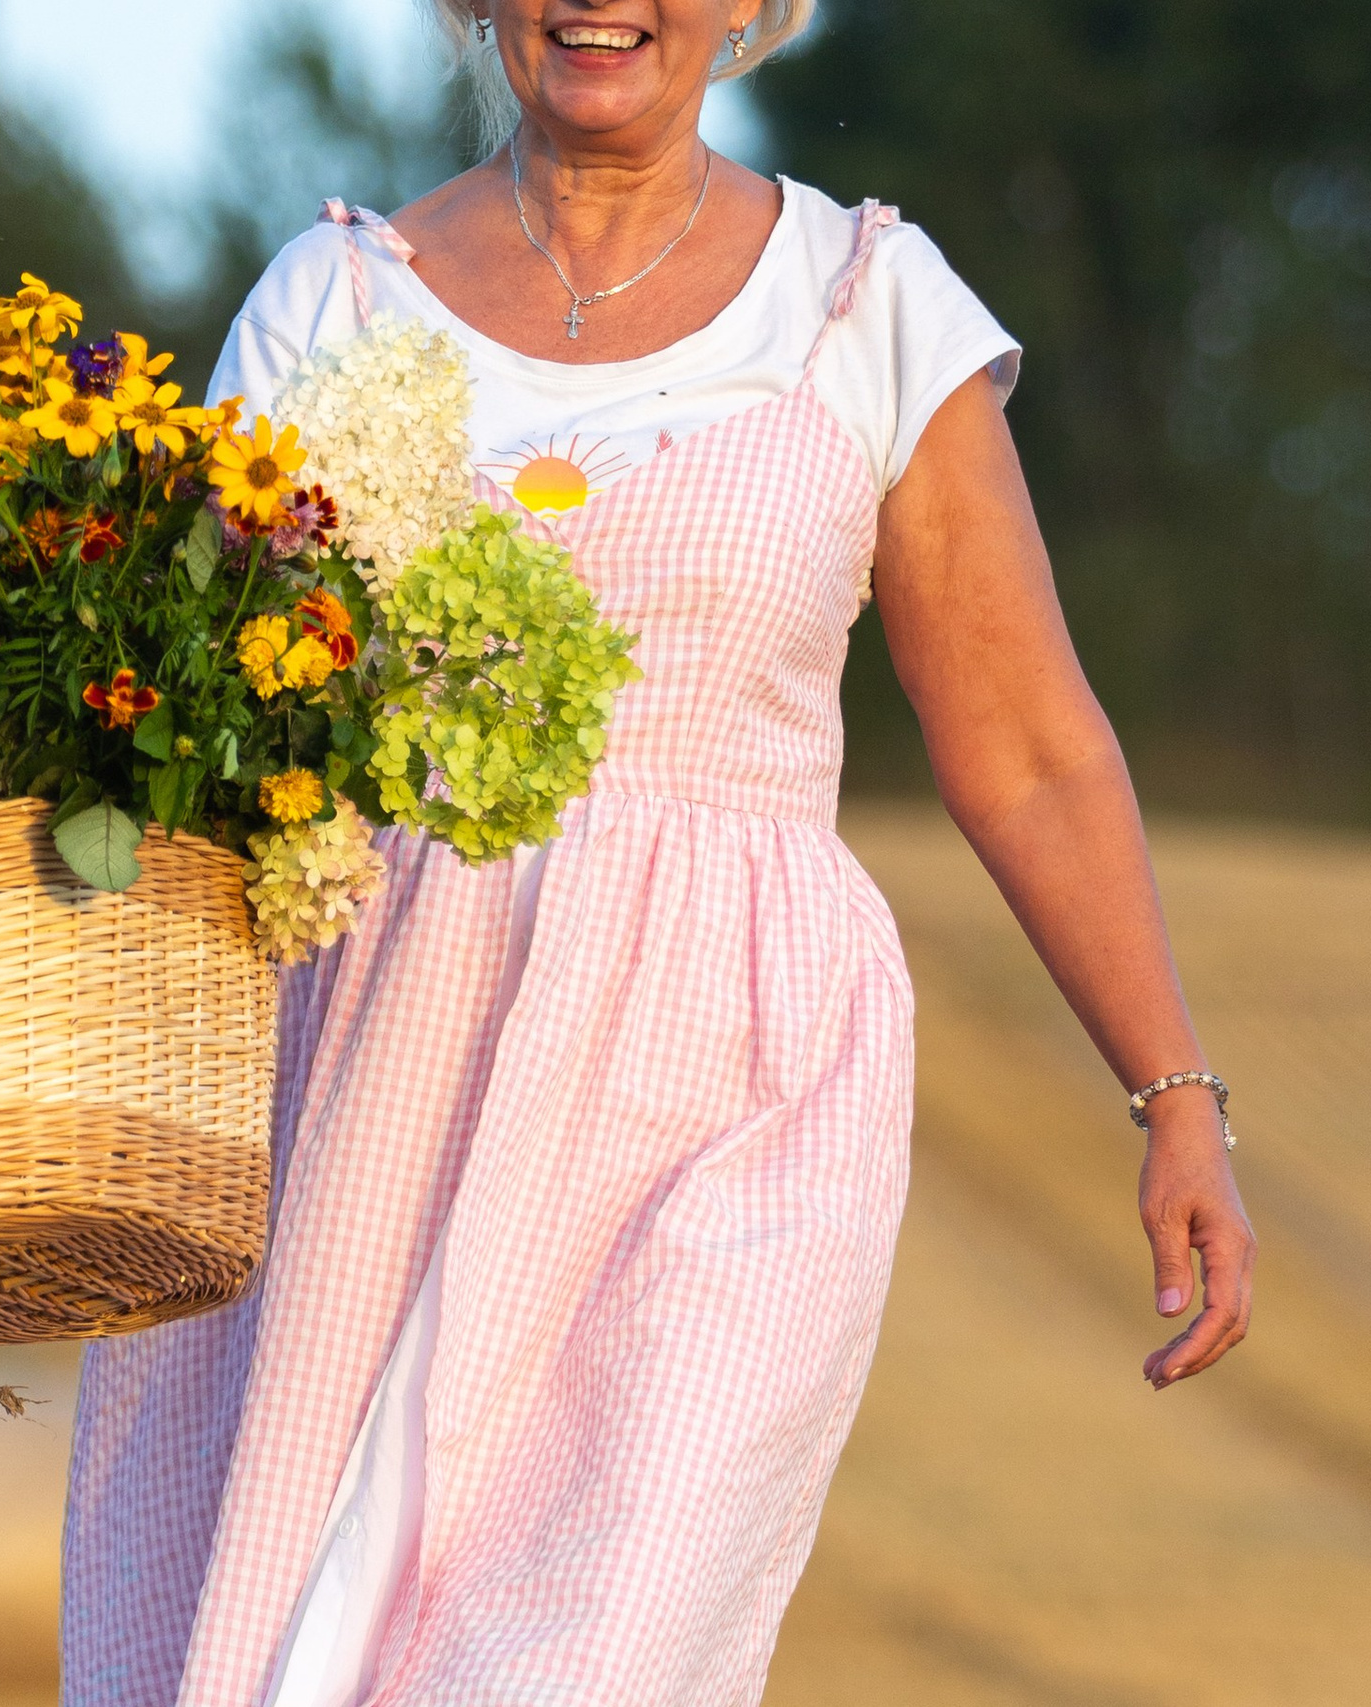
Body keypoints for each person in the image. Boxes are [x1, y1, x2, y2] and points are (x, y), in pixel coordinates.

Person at [61, 3, 1257, 1702]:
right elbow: (180, 716)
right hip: (366, 1079)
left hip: (733, 1101)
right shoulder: (329, 305)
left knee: (592, 1652)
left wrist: (1177, 1098)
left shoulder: (869, 307)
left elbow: (1034, 751)